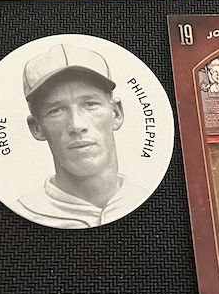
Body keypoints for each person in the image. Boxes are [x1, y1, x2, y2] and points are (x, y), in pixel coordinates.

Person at [16, 44, 146, 228]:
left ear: (116, 113)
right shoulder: (21, 214)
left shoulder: (147, 199)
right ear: (37, 128)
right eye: (56, 110)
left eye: (91, 104)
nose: (77, 125)